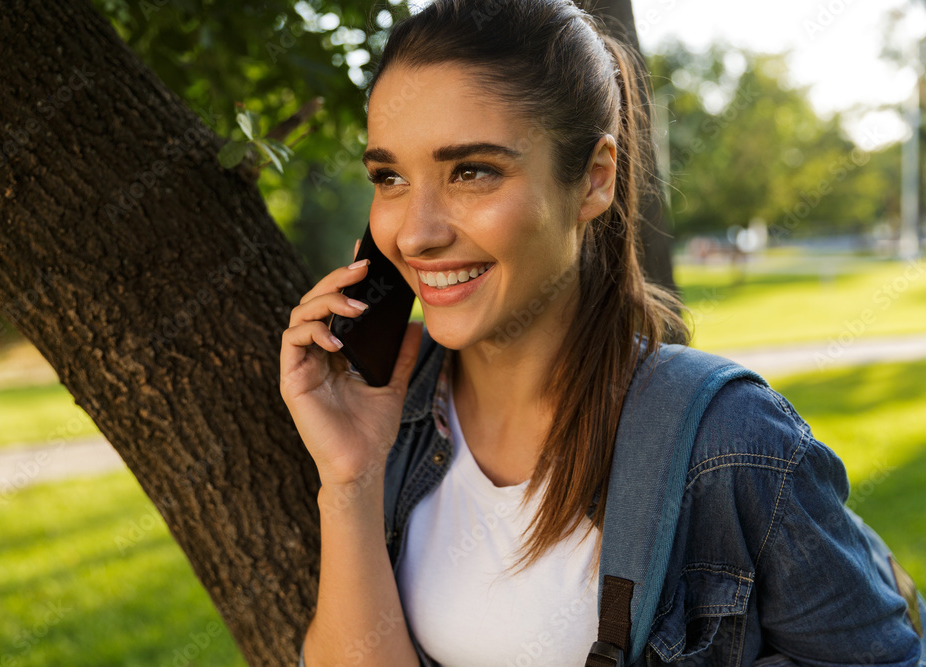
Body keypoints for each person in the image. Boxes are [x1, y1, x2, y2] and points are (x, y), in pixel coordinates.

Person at [279, 0, 925, 664]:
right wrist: (350, 480)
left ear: (594, 178)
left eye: (471, 171)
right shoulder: (396, 412)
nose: (415, 232)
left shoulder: (733, 441)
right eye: (390, 178)